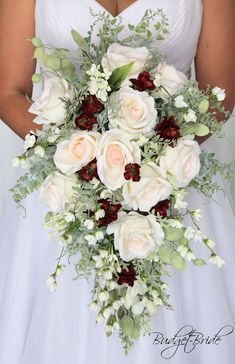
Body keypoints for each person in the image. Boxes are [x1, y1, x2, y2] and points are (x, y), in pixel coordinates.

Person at [0, 1, 235, 363]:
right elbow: (9, 92)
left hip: (173, 185)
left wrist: (150, 155)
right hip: (62, 190)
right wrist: (81, 156)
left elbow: (218, 95)